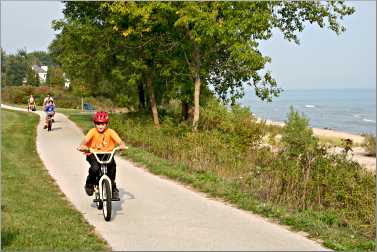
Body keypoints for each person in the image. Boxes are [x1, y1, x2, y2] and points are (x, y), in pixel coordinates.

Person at [78, 111, 126, 200]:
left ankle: (113, 187)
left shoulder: (110, 132)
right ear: (95, 124)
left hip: (107, 154)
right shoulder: (92, 132)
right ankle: (89, 184)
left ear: (106, 124)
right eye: (98, 124)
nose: (100, 126)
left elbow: (119, 141)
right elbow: (84, 142)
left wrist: (122, 145)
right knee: (95, 168)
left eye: (103, 124)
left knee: (112, 166)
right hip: (93, 153)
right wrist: (83, 146)